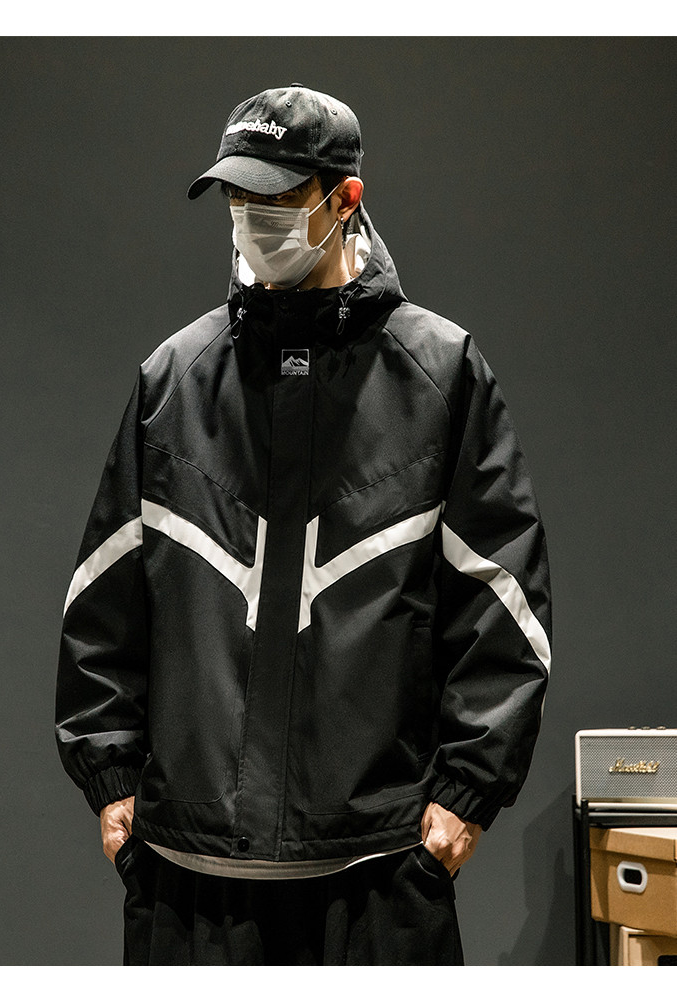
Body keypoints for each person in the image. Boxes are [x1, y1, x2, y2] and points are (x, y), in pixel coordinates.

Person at [55, 83, 551, 966]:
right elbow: (104, 594)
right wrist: (112, 779)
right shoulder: (175, 378)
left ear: (344, 198)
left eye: (279, 198)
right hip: (189, 873)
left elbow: (503, 597)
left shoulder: (440, 374)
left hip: (378, 873)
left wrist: (464, 798)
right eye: (239, 199)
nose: (254, 220)